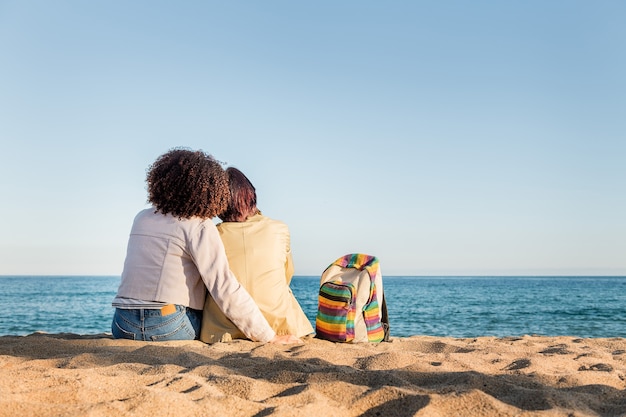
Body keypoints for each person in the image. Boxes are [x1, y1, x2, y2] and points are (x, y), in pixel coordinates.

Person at [111, 148, 300, 344]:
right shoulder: (199, 225)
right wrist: (269, 336)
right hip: (168, 325)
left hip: (122, 324)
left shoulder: (141, 218)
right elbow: (224, 286)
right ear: (207, 190)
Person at [200, 167, 314, 343]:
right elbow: (287, 275)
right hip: (278, 324)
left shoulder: (212, 234)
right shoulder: (279, 229)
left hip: (222, 328)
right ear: (251, 195)